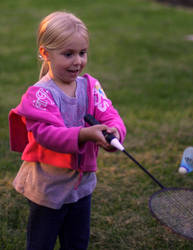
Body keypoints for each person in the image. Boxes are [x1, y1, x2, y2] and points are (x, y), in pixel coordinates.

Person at [8, 11, 126, 250]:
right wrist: (84, 135)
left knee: (77, 242)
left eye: (82, 53)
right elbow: (47, 134)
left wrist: (114, 132)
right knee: (41, 243)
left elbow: (109, 113)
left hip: (81, 187)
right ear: (45, 53)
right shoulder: (39, 94)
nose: (77, 61)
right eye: (68, 54)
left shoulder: (91, 86)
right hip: (48, 189)